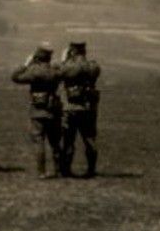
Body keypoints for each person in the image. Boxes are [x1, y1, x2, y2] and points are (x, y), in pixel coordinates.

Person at [11, 42, 63, 179]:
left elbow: (15, 77)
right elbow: (63, 73)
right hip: (53, 109)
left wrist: (26, 64)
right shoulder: (55, 71)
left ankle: (41, 172)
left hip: (38, 109)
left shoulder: (35, 71)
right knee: (55, 142)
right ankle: (59, 170)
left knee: (39, 140)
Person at [58, 40, 101, 178]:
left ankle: (66, 170)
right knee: (90, 139)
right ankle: (91, 169)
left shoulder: (69, 67)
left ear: (72, 51)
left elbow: (60, 73)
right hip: (88, 108)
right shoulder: (93, 66)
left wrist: (64, 60)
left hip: (71, 107)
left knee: (68, 140)